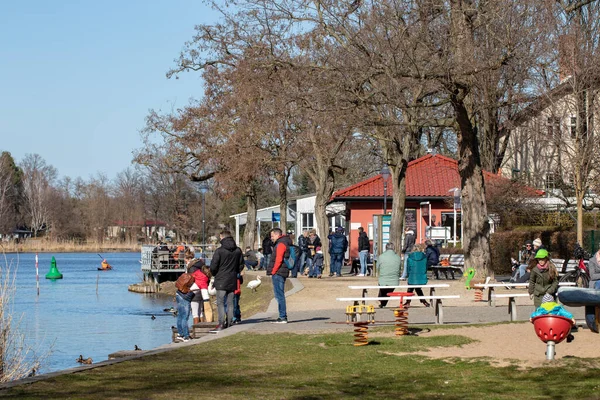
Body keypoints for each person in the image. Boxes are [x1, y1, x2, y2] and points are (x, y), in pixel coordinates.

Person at [209, 230, 244, 332]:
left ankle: (221, 323)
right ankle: (229, 322)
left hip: (221, 279)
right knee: (230, 302)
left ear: (222, 237)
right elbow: (241, 264)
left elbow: (213, 266)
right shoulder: (238, 250)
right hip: (232, 278)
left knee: (220, 302)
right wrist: (235, 271)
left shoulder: (219, 251)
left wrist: (215, 274)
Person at [267, 228, 291, 323]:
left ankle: (282, 316)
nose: (271, 238)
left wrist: (273, 271)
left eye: (272, 236)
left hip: (279, 272)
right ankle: (282, 315)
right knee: (279, 294)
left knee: (279, 295)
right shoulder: (284, 242)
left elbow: (279, 259)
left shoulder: (281, 244)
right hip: (282, 271)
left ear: (277, 235)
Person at [185, 251, 212, 324]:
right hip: (203, 290)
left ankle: (196, 328)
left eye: (185, 259)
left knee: (195, 313)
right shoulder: (201, 264)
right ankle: (203, 325)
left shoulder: (191, 267)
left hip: (195, 291)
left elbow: (190, 279)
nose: (184, 261)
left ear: (189, 258)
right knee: (201, 312)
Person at [377, 243, 401, 308]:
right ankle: (383, 303)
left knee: (383, 289)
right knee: (388, 292)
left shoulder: (381, 256)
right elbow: (399, 268)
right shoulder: (398, 257)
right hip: (394, 281)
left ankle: (382, 302)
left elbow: (377, 267)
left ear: (386, 248)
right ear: (394, 248)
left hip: (383, 280)